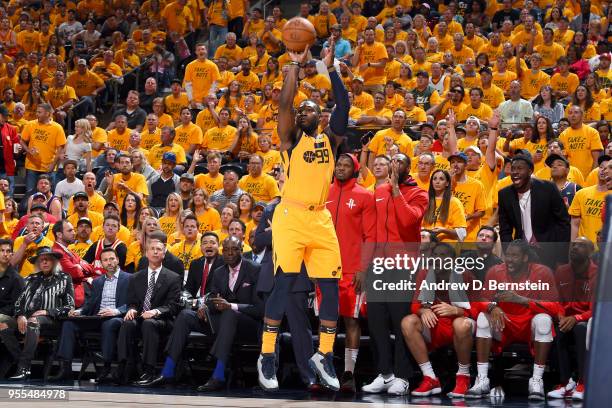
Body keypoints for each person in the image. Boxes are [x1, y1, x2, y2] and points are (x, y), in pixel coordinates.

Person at [258, 40, 349, 392]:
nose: (301, 113)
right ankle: (267, 354)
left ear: (320, 116)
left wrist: (329, 69)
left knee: (331, 288)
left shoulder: (332, 139)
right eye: (300, 112)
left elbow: (344, 104)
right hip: (291, 217)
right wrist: (294, 67)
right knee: (284, 283)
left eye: (308, 110)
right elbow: (284, 103)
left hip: (321, 218)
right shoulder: (291, 138)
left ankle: (324, 355)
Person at [357, 153, 428, 396]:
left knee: (399, 322)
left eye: (401, 161)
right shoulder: (379, 191)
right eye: (393, 161)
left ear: (409, 167)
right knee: (376, 320)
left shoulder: (419, 193)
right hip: (378, 263)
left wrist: (397, 190)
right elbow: (371, 230)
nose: (396, 164)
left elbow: (409, 221)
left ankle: (403, 376)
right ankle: (385, 374)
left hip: (403, 263)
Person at [467, 240, 561, 400]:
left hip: (529, 324)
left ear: (525, 258)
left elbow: (554, 307)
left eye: (514, 256)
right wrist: (492, 307)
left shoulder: (543, 272)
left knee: (544, 320)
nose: (509, 259)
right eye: (507, 255)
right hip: (504, 323)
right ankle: (482, 380)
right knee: (483, 317)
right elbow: (481, 299)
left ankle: (536, 380)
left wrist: (522, 300)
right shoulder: (495, 271)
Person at [325, 153, 376, 392]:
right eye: (339, 165)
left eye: (346, 165)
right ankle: (324, 372)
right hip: (324, 268)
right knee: (325, 321)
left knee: (351, 321)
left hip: (352, 270)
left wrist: (363, 269)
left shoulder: (364, 195)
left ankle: (348, 374)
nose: (341, 168)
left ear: (354, 170)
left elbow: (371, 236)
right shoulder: (323, 191)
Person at [402, 243, 475, 398]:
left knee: (461, 324)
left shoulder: (465, 275)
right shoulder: (424, 273)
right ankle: (430, 377)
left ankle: (463, 377)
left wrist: (456, 310)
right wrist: (423, 310)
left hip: (459, 325)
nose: (438, 259)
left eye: (443, 255)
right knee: (408, 322)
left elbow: (477, 307)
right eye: (435, 255)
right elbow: (415, 305)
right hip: (435, 323)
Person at [49, 248, 131, 383]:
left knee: (109, 324)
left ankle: (106, 367)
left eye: (112, 259)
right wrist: (79, 311)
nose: (109, 262)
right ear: (101, 263)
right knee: (69, 323)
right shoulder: (98, 282)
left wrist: (116, 311)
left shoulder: (129, 278)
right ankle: (65, 368)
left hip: (116, 317)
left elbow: (134, 303)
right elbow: (90, 304)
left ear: (117, 260)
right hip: (97, 317)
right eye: (105, 260)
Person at [113, 237, 181, 385]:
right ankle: (125, 366)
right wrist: (131, 309)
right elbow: (132, 302)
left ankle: (149, 371)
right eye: (152, 249)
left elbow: (173, 306)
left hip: (163, 320)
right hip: (141, 317)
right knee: (127, 323)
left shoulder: (173, 277)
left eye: (159, 250)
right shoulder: (136, 277)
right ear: (146, 253)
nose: (155, 252)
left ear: (163, 254)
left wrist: (155, 311)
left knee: (149, 323)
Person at [6, 247, 74, 380]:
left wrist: (47, 311)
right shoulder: (31, 279)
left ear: (54, 262)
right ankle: (18, 360)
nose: (45, 262)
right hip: (27, 317)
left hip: (52, 319)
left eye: (48, 259)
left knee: (33, 322)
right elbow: (19, 302)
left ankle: (24, 367)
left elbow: (70, 306)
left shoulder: (64, 278)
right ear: (37, 263)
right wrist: (20, 315)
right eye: (42, 260)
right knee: (3, 327)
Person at [549, 237, 597, 401]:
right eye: (573, 245)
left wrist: (577, 318)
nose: (574, 247)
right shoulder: (561, 271)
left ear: (591, 252)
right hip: (568, 316)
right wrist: (561, 315)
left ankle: (584, 382)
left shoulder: (598, 274)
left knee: (581, 328)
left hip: (588, 318)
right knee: (558, 327)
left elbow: (597, 309)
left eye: (581, 245)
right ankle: (565, 382)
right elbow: (557, 301)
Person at [498, 153, 570, 245]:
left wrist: (560, 252)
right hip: (521, 251)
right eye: (513, 169)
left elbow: (563, 222)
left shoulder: (548, 188)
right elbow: (505, 229)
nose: (515, 172)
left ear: (530, 171)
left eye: (520, 168)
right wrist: (508, 250)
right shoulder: (505, 194)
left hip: (548, 247)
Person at [52, 220, 94, 308]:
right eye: (70, 231)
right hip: (71, 298)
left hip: (79, 294)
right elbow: (74, 273)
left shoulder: (68, 250)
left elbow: (91, 268)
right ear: (59, 234)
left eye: (73, 230)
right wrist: (80, 266)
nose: (74, 233)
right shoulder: (57, 252)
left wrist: (80, 266)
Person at [568, 155, 610, 243]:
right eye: (601, 167)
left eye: (607, 168)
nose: (603, 170)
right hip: (583, 248)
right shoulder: (581, 193)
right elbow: (575, 224)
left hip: (605, 248)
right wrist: (572, 245)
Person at [0, 238, 24, 378]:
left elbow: (17, 305)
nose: (5, 254)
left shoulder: (16, 278)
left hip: (12, 318)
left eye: (8, 251)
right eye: (2, 251)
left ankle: (18, 360)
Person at [421, 169, 467, 242]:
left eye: (441, 179)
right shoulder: (425, 201)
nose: (437, 182)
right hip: (427, 247)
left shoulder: (454, 202)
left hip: (446, 247)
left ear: (447, 183)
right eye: (434, 179)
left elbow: (462, 233)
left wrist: (444, 230)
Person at [559, 105, 604, 179]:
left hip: (588, 175)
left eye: (576, 112)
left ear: (582, 115)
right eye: (570, 113)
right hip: (571, 176)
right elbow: (563, 159)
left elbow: (596, 159)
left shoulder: (592, 132)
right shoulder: (563, 135)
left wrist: (591, 176)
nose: (573, 115)